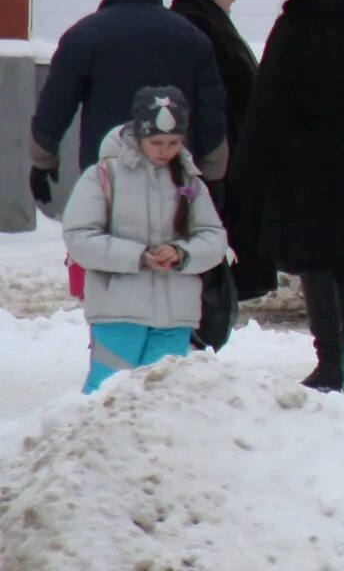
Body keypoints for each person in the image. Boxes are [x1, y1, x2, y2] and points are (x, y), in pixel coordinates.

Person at [237, 0, 344, 391]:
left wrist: (250, 172)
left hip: (303, 166)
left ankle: (329, 362)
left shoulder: (293, 27)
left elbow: (268, 105)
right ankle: (336, 356)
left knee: (317, 263)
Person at [31, 0, 228, 214]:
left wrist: (43, 161)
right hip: (173, 180)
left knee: (108, 252)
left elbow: (55, 104)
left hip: (106, 177)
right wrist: (213, 175)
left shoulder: (84, 37)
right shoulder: (192, 38)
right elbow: (211, 113)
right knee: (167, 253)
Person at [62, 86, 231, 393]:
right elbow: (79, 236)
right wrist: (137, 255)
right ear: (138, 135)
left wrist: (181, 253)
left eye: (173, 143)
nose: (165, 150)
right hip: (118, 311)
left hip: (176, 315)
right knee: (108, 393)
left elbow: (214, 237)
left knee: (161, 396)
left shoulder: (189, 180)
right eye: (157, 142)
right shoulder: (103, 175)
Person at [168, 0, 276, 349]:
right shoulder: (202, 29)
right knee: (208, 252)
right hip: (213, 165)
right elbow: (223, 100)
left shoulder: (201, 23)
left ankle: (200, 334)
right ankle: (199, 336)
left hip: (218, 161)